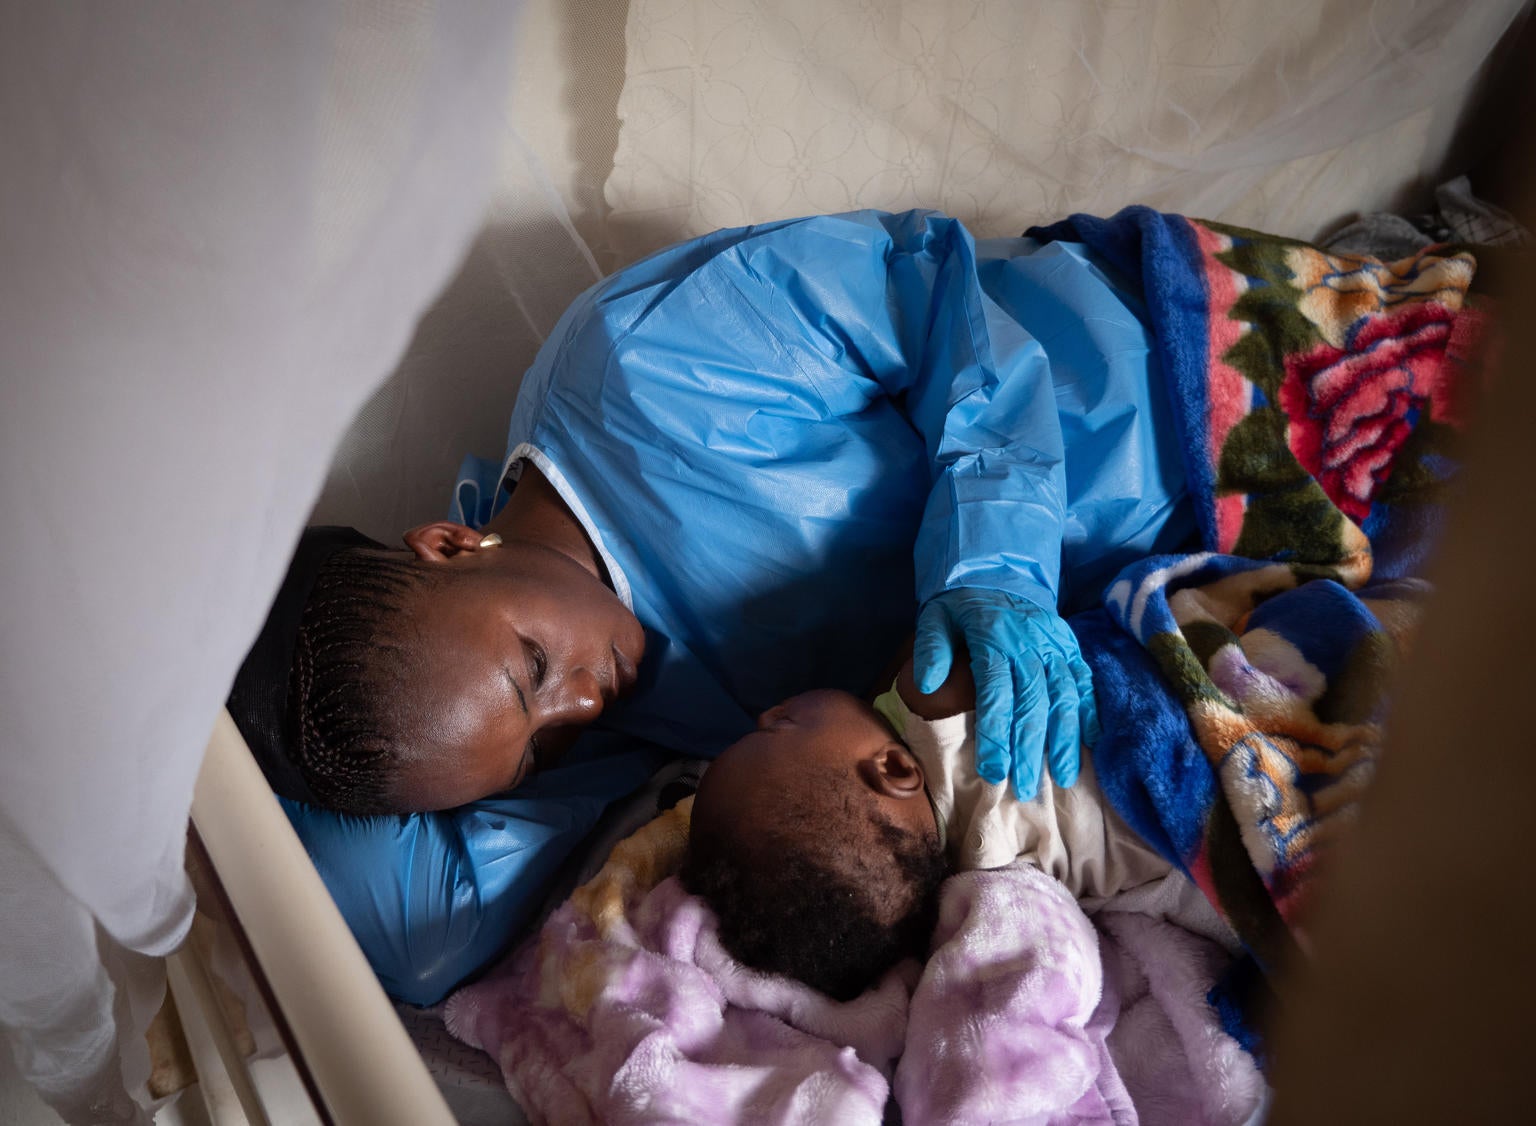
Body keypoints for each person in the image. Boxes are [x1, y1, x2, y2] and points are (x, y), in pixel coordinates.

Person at [233, 208, 1197, 1003]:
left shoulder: (646, 362)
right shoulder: (591, 719)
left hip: (1162, 366)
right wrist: (221, 716)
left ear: (449, 541)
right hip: (1184, 566)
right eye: (538, 749)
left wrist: (995, 562)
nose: (583, 705)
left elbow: (938, 292)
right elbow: (415, 937)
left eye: (534, 667)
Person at [682, 644, 1176, 1001]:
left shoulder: (977, 872)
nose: (767, 712)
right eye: (780, 727)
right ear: (895, 769)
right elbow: (950, 637)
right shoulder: (931, 701)